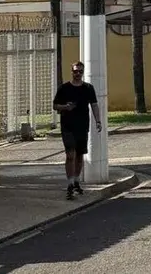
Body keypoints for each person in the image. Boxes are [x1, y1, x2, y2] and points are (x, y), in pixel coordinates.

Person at [53, 61, 102, 200]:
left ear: (83, 72)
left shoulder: (88, 88)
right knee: (70, 154)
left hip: (82, 126)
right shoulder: (64, 88)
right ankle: (69, 184)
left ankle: (76, 180)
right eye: (75, 71)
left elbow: (94, 105)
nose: (78, 74)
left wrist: (98, 121)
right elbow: (55, 105)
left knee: (79, 155)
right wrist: (65, 107)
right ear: (72, 71)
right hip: (68, 126)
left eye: (80, 71)